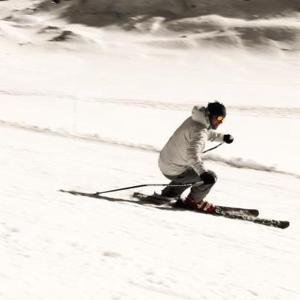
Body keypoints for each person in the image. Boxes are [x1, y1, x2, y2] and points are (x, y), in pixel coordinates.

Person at [158, 101, 234, 212]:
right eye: (218, 118)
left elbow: (205, 133)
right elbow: (192, 154)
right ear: (210, 115)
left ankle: (169, 194)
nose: (220, 122)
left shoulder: (195, 120)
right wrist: (203, 173)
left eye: (222, 119)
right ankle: (193, 201)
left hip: (166, 162)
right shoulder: (200, 130)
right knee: (210, 178)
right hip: (174, 168)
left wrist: (223, 137)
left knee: (190, 171)